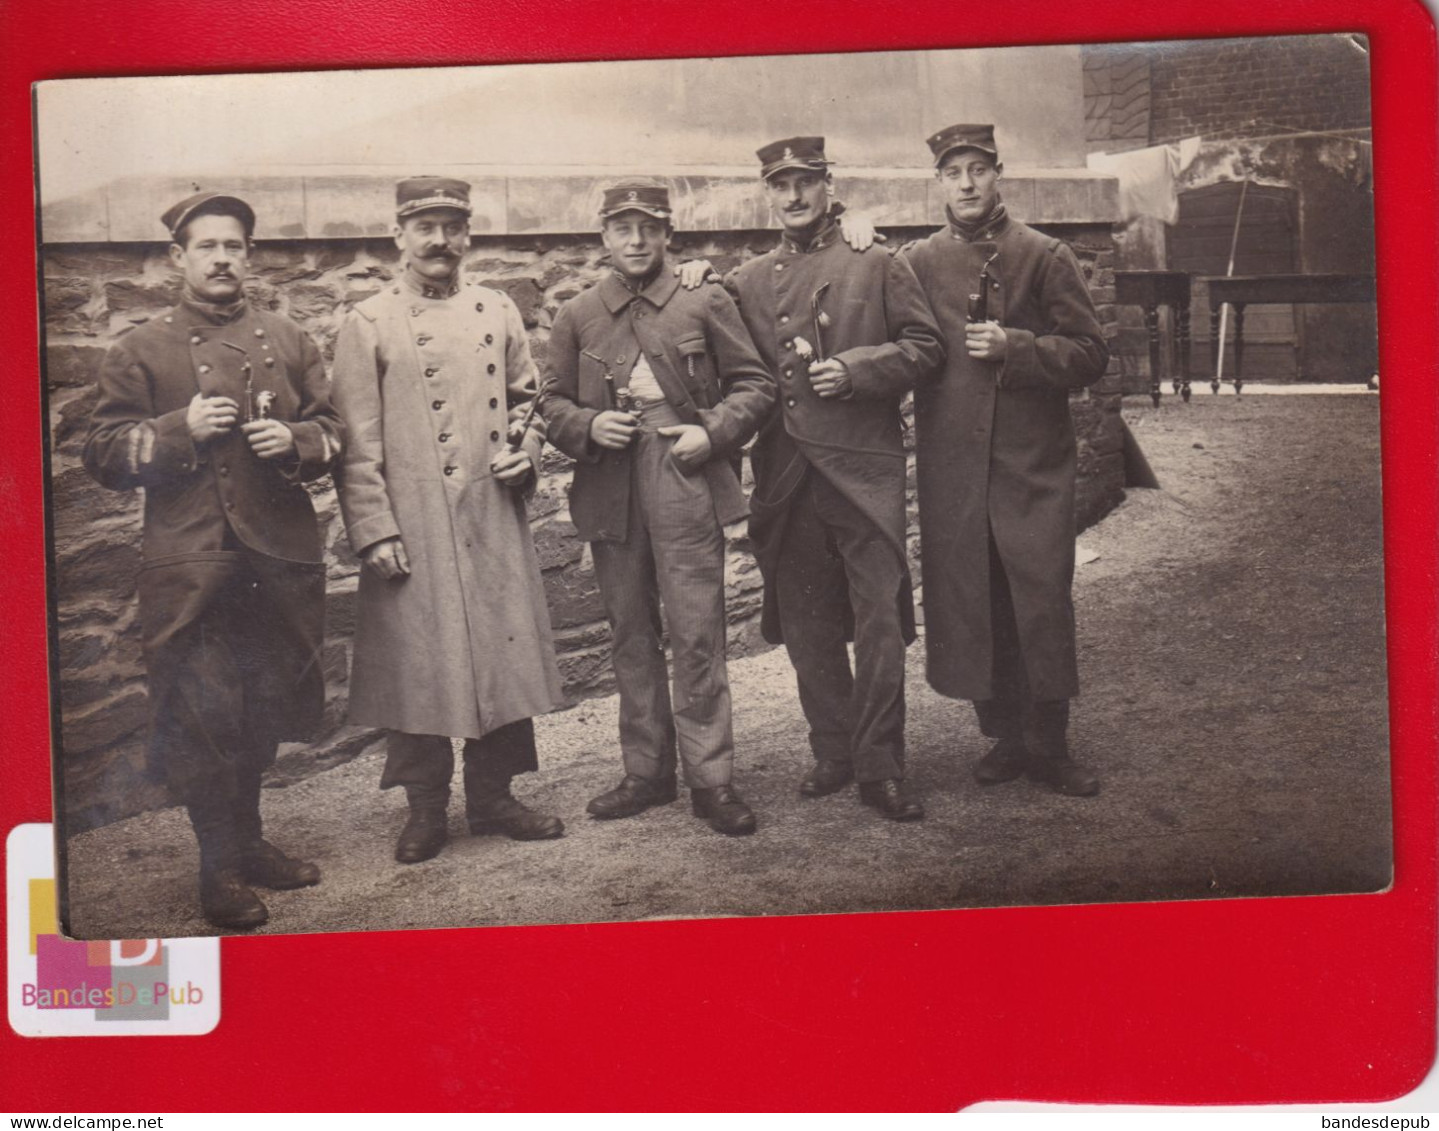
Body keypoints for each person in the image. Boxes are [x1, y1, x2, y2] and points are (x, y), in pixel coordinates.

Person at [83, 191, 343, 929]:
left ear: (249, 255)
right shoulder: (142, 347)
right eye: (207, 247)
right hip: (191, 564)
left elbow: (333, 430)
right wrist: (178, 427)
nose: (223, 258)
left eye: (234, 245)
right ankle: (218, 867)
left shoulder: (288, 339)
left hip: (275, 556)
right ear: (179, 258)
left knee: (262, 706)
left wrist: (293, 440)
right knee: (203, 714)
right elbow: (101, 451)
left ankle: (253, 841)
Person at [331, 176, 566, 864]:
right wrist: (374, 529)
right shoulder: (369, 321)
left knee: (501, 650)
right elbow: (355, 439)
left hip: (490, 511)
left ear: (467, 235)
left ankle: (494, 797)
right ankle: (425, 808)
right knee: (417, 662)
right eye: (425, 226)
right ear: (398, 236)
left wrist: (526, 456)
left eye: (452, 226)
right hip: (414, 520)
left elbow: (530, 402)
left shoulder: (495, 309)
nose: (440, 240)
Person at [540, 179, 774, 835]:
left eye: (648, 227)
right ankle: (645, 772)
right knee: (630, 634)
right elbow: (549, 401)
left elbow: (756, 385)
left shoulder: (702, 298)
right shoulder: (577, 313)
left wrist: (713, 431)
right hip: (611, 489)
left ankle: (712, 778)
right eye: (623, 228)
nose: (636, 240)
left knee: (697, 631)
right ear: (604, 237)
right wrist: (587, 427)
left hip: (684, 478)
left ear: (667, 233)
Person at [724, 137, 945, 821]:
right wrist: (696, 278)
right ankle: (833, 750)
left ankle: (880, 762)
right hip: (786, 475)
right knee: (806, 623)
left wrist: (855, 370)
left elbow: (924, 347)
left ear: (827, 184)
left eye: (804, 183)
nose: (792, 197)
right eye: (779, 185)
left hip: (861, 470)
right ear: (769, 192)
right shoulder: (746, 279)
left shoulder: (875, 259)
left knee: (879, 621)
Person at [902, 124, 1109, 796]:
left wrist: (1018, 347)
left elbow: (1089, 353)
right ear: (938, 181)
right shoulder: (916, 261)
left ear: (997, 174)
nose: (965, 183)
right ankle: (1003, 737)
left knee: (1040, 598)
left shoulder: (1042, 254)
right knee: (973, 598)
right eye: (951, 171)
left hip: (1032, 462)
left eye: (976, 169)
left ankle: (1049, 745)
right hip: (954, 467)